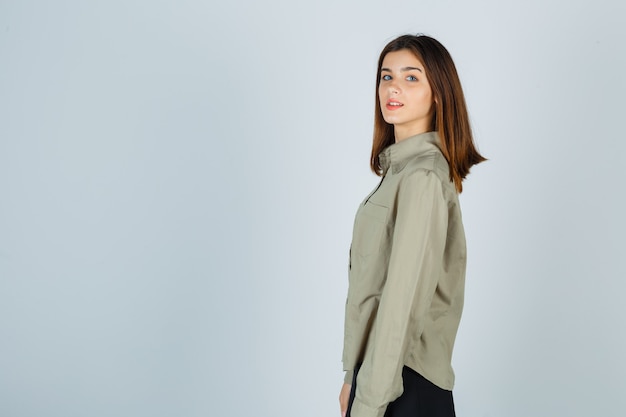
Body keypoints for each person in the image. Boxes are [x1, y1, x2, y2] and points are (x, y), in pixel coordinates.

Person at [338, 34, 486, 417]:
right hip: (383, 378)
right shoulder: (401, 171)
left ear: (438, 94)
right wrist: (352, 380)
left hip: (403, 387)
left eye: (411, 77)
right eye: (386, 76)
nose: (393, 87)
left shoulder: (422, 178)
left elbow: (401, 303)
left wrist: (368, 403)